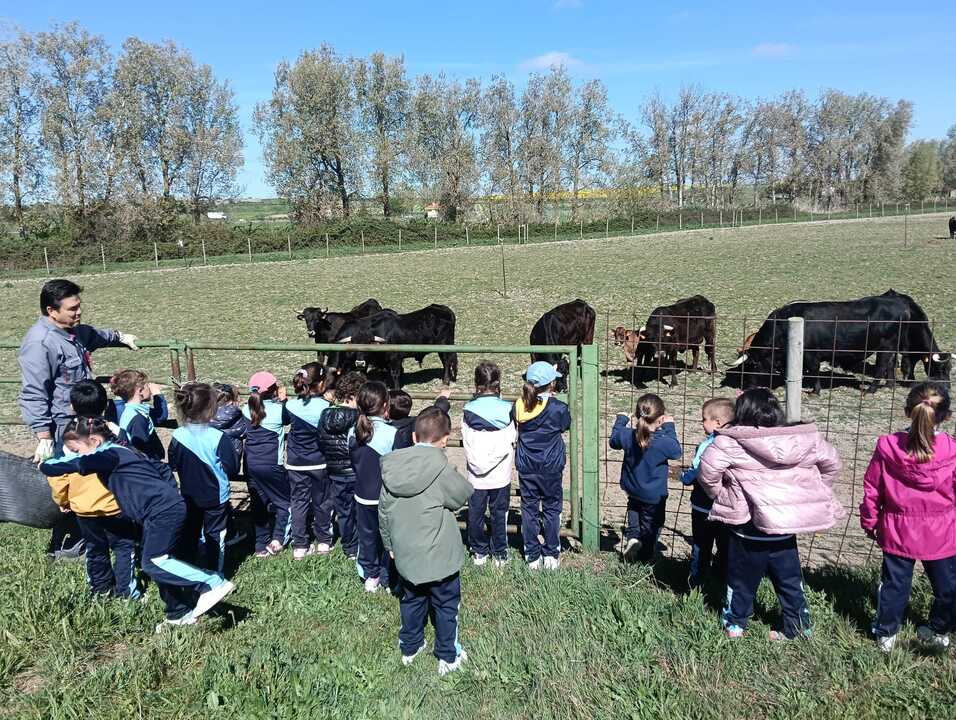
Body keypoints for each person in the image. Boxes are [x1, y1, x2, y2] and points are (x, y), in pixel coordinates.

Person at [39, 417, 234, 632]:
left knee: (153, 562)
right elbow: (161, 469)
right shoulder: (124, 448)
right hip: (158, 511)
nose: (78, 454)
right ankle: (178, 613)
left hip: (162, 511)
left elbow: (72, 465)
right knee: (160, 561)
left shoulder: (109, 454)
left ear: (94, 440)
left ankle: (211, 583)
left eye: (78, 449)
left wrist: (46, 463)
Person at [698, 388, 843, 640]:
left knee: (740, 580)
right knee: (789, 579)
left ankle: (735, 625)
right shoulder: (800, 438)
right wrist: (812, 491)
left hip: (747, 527)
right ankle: (798, 626)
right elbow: (832, 463)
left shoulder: (730, 441)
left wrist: (721, 495)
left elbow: (707, 473)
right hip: (783, 528)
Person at [18, 278, 139, 559]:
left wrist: (120, 337)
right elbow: (34, 391)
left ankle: (93, 539)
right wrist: (44, 436)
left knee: (90, 478)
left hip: (86, 420)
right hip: (65, 426)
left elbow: (95, 335)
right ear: (51, 310)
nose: (78, 312)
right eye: (72, 308)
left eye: (79, 306)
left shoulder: (74, 332)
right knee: (72, 479)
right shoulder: (40, 343)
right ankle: (66, 545)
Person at [860, 381, 956, 652]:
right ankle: (940, 629)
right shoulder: (952, 450)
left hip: (898, 529)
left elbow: (872, 487)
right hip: (943, 531)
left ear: (907, 412)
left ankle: (886, 633)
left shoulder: (888, 446)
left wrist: (870, 520)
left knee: (894, 584)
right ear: (946, 416)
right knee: (947, 584)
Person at [380, 406, 473, 675]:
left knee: (412, 599)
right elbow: (460, 496)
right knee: (446, 605)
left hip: (406, 552)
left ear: (413, 437)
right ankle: (447, 653)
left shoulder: (391, 467)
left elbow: (383, 511)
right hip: (440, 555)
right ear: (445, 439)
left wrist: (389, 545)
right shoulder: (441, 468)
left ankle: (410, 645)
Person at [47, 380, 140, 599]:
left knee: (95, 549)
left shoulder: (67, 439)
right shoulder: (116, 432)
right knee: (124, 547)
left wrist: (63, 501)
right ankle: (126, 592)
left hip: (84, 507)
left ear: (71, 405)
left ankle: (100, 590)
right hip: (116, 504)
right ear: (106, 404)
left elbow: (59, 475)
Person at [168, 383, 240, 573]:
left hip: (189, 495)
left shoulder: (177, 435)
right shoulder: (218, 437)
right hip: (216, 497)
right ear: (211, 409)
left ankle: (188, 572)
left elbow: (173, 463)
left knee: (189, 534)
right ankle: (214, 575)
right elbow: (232, 468)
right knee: (215, 535)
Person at [610, 393, 682, 564]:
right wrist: (669, 426)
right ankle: (645, 555)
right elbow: (676, 452)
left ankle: (633, 537)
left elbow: (614, 441)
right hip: (654, 495)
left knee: (634, 508)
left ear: (636, 416)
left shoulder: (627, 435)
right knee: (653, 523)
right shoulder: (664, 441)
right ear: (660, 419)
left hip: (631, 488)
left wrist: (620, 420)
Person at [514, 361, 571, 570]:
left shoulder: (519, 405)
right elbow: (566, 424)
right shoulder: (558, 408)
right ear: (552, 384)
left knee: (528, 508)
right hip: (551, 465)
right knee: (552, 508)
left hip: (527, 465)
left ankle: (531, 553)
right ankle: (551, 552)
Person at [461, 361, 516, 567]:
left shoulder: (468, 409)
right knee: (499, 512)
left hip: (476, 477)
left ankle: (478, 551)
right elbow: (512, 435)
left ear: (476, 384)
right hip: (500, 474)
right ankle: (500, 552)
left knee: (475, 512)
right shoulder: (507, 409)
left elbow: (466, 435)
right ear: (498, 383)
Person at [680, 397, 734, 586]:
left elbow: (696, 471)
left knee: (701, 545)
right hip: (728, 509)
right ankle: (722, 582)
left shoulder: (707, 445)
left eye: (704, 419)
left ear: (717, 422)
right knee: (726, 546)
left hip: (703, 506)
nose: (702, 423)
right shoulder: (737, 445)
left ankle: (696, 583)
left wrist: (684, 477)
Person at [282, 363, 333, 559]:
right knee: (322, 501)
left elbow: (286, 421)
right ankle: (323, 542)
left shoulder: (290, 406)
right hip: (319, 461)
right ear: (320, 384)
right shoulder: (326, 407)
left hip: (295, 461)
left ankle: (300, 545)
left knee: (298, 502)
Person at [351, 380, 398, 592]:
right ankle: (389, 577)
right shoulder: (391, 434)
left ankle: (370, 575)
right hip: (385, 496)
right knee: (390, 538)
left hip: (362, 494)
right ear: (386, 406)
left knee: (367, 537)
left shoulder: (353, 432)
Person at [242, 371, 291, 557]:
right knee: (286, 503)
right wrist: (284, 400)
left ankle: (260, 545)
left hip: (251, 464)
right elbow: (287, 419)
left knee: (259, 504)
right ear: (274, 391)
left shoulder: (246, 409)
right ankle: (278, 539)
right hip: (272, 464)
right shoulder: (280, 411)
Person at [317, 371, 365, 559]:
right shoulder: (358, 417)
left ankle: (349, 547)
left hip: (335, 471)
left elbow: (320, 440)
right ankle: (362, 542)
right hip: (355, 470)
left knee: (343, 510)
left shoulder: (325, 414)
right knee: (360, 509)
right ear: (354, 396)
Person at [111, 369, 169, 461]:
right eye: (147, 386)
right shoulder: (137, 418)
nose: (149, 388)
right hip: (149, 466)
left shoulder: (132, 411)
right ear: (140, 390)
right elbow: (142, 450)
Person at [210, 382, 250, 462]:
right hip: (232, 457)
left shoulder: (205, 415)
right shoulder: (236, 414)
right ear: (231, 400)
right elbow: (246, 431)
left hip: (210, 456)